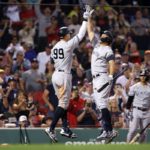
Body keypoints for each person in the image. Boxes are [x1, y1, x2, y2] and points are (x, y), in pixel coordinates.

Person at [44, 7, 92, 143]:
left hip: (55, 76)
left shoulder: (54, 47)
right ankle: (51, 128)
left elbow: (53, 61)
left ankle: (65, 127)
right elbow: (82, 34)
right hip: (64, 76)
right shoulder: (67, 45)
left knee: (62, 103)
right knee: (63, 104)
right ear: (65, 35)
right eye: (69, 33)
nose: (70, 35)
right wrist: (85, 18)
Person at [87, 16, 118, 142]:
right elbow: (90, 31)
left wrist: (111, 75)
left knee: (101, 104)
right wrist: (88, 17)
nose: (102, 35)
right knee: (100, 105)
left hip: (102, 77)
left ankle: (107, 131)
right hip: (96, 79)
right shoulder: (96, 45)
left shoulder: (107, 49)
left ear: (108, 39)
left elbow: (111, 63)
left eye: (105, 35)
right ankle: (107, 130)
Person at [126, 68, 150, 143]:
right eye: (141, 75)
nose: (143, 77)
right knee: (133, 130)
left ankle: (140, 147)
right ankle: (127, 146)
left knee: (144, 133)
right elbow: (130, 100)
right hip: (136, 110)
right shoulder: (134, 87)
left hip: (147, 111)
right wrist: (127, 110)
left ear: (147, 77)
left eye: (144, 76)